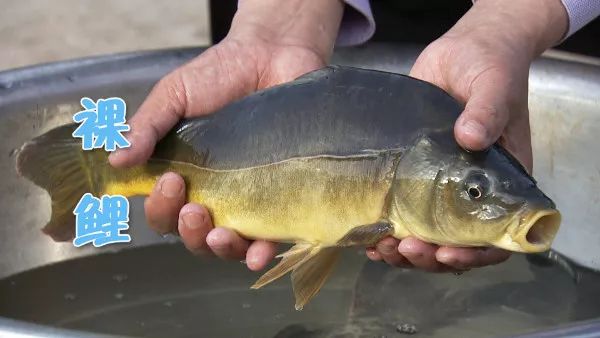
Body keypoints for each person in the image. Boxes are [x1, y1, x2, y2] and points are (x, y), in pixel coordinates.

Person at [108, 0, 599, 273]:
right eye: (474, 192)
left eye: (475, 192)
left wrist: (509, 22)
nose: (481, 197)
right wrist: (284, 16)